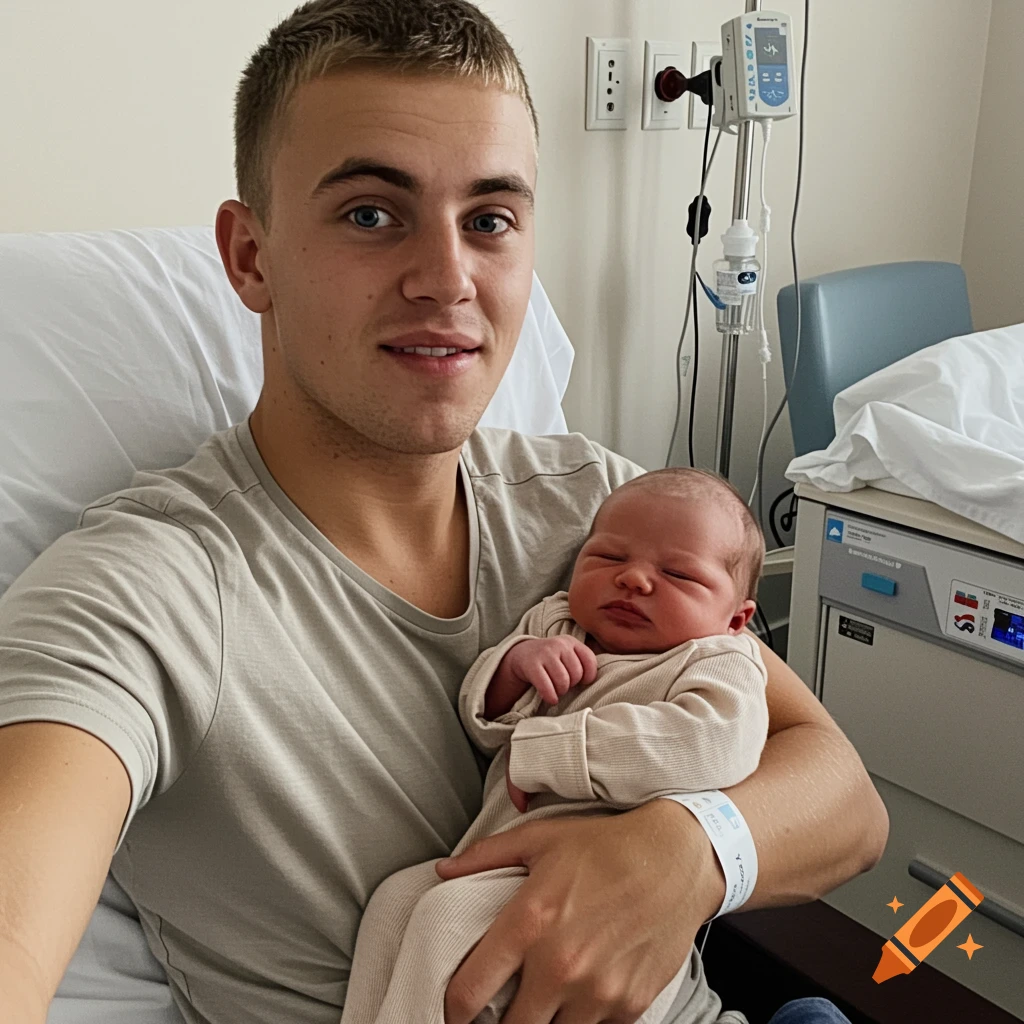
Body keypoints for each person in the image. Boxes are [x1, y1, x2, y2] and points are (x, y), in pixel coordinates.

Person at [0, 2, 886, 1023]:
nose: (446, 279)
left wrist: (688, 850)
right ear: (250, 258)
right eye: (372, 214)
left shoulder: (603, 511)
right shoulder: (144, 591)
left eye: (490, 219)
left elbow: (846, 803)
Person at [341, 468, 771, 1024]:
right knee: (395, 901)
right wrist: (514, 668)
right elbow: (487, 726)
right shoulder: (557, 620)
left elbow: (714, 743)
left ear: (735, 617)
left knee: (443, 918)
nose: (634, 579)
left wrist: (554, 751)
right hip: (499, 856)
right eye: (608, 558)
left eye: (678, 574)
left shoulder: (716, 660)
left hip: (609, 884)